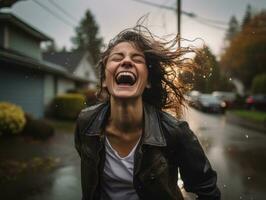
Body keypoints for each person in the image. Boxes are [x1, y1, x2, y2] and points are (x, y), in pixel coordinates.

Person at [74, 24, 221, 200]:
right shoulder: (86, 122)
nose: (126, 61)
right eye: (117, 57)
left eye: (137, 59)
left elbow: (208, 191)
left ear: (148, 81)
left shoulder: (174, 132)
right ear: (105, 80)